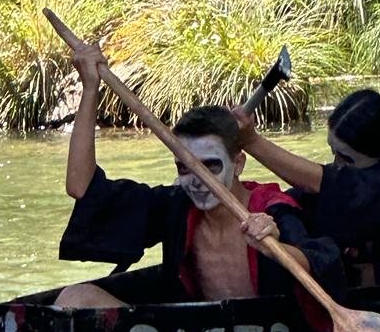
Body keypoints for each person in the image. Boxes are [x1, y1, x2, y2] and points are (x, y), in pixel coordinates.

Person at [55, 43, 345, 308]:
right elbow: (82, 187)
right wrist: (90, 89)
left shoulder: (272, 209)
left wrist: (275, 248)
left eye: (211, 166)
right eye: (185, 167)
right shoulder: (177, 205)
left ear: (239, 163)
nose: (198, 180)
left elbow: (324, 266)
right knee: (75, 298)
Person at [233, 87, 380, 288]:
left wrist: (252, 141)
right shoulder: (366, 173)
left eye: (346, 159)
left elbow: (342, 188)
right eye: (334, 153)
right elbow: (308, 195)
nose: (337, 166)